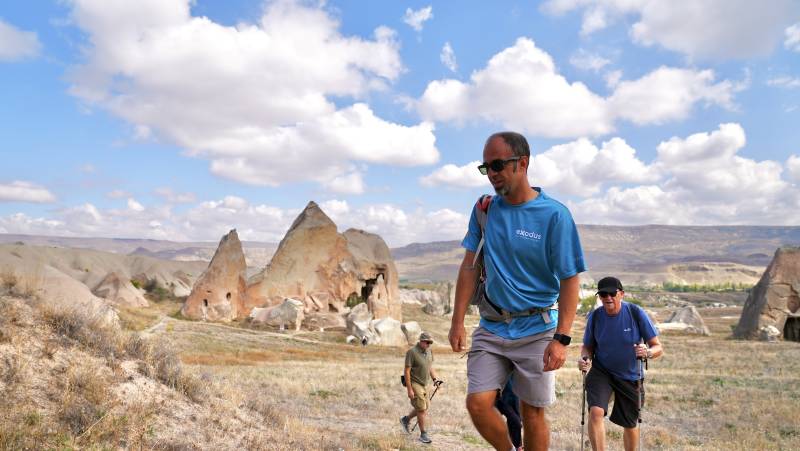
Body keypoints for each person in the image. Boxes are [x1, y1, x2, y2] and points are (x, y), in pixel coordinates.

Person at [449, 131, 587, 451]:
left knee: (532, 413)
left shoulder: (555, 215)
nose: (492, 174)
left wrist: (561, 337)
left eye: (497, 165)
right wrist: (457, 322)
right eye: (486, 168)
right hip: (493, 325)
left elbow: (570, 279)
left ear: (522, 163)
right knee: (478, 404)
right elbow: (469, 266)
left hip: (537, 329)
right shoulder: (484, 210)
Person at [578, 276, 664, 451]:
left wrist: (647, 352)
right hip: (602, 371)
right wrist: (585, 359)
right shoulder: (595, 317)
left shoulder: (635, 312)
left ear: (621, 294)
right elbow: (588, 346)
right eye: (603, 294)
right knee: (596, 412)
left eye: (612, 293)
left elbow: (657, 347)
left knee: (630, 424)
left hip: (630, 375)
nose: (608, 298)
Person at [400, 332, 441, 444]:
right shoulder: (412, 352)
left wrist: (435, 380)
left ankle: (406, 419)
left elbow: (429, 367)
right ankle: (423, 434)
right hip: (414, 383)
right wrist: (409, 389)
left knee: (424, 407)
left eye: (430, 343)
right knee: (422, 409)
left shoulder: (429, 352)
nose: (429, 345)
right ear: (421, 341)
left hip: (424, 384)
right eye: (427, 342)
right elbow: (407, 371)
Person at [495, 376, 523, 451]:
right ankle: (516, 446)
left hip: (513, 394)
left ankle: (517, 446)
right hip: (498, 395)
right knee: (515, 421)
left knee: (516, 421)